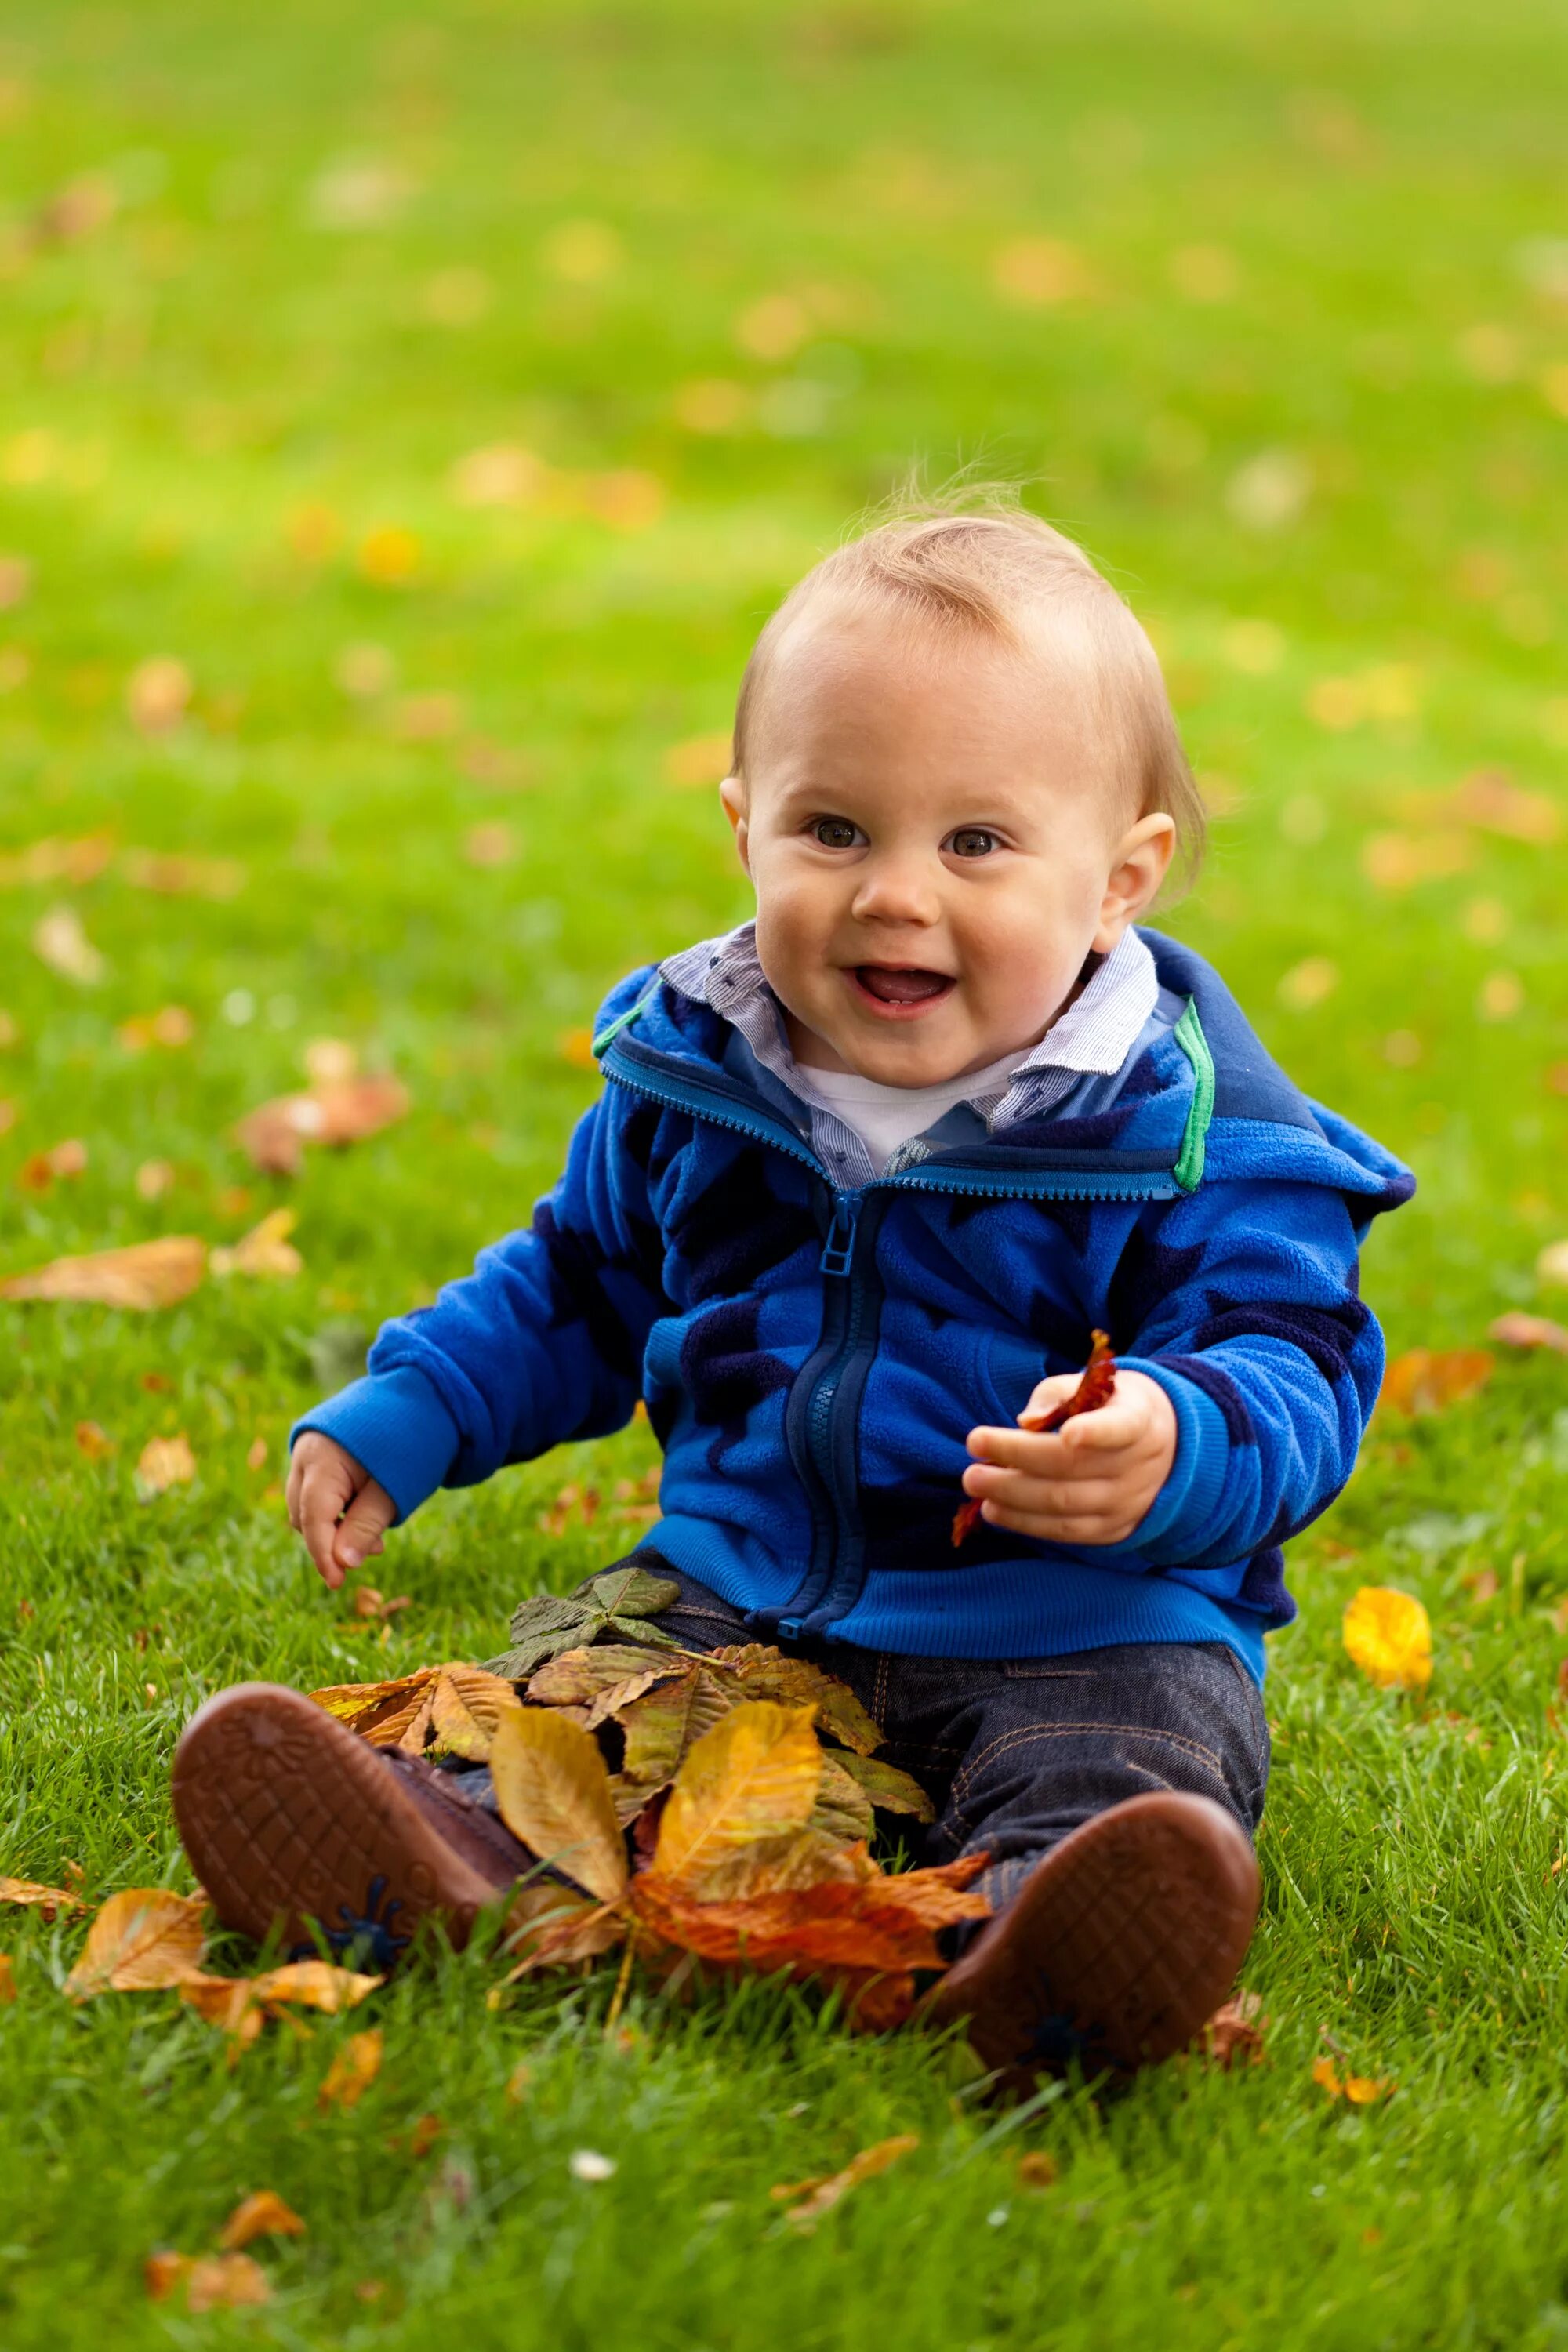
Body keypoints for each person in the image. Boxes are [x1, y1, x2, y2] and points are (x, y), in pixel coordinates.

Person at [172, 494, 1412, 2074]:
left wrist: (1175, 1436)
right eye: (835, 830)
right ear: (743, 826)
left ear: (1118, 879)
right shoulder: (704, 1075)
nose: (896, 893)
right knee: (574, 1705)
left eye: (975, 842)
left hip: (1080, 1614)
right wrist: (411, 1405)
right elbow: (582, 1278)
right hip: (743, 1583)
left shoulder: (1197, 1139)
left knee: (1120, 1760)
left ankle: (1048, 1941)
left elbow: (1291, 1361)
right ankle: (443, 1857)